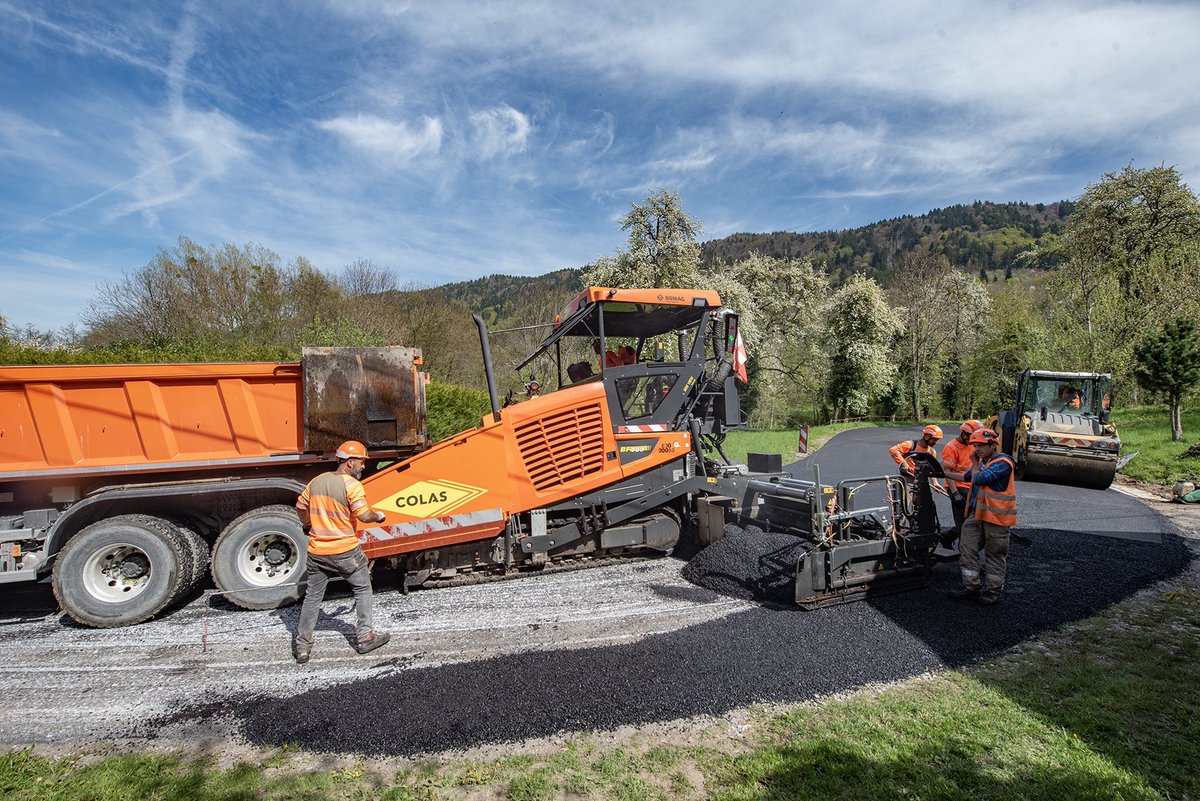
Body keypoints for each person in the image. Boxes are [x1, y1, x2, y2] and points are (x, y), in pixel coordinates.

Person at [293, 440, 390, 663]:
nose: (363, 466)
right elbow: (364, 515)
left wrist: (307, 524)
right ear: (348, 462)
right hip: (345, 550)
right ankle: (365, 637)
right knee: (363, 589)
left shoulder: (316, 482)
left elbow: (300, 507)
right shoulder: (352, 486)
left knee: (313, 598)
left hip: (317, 552)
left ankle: (303, 647)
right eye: (361, 462)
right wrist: (379, 517)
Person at [948, 428, 1017, 605]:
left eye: (980, 446)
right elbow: (967, 476)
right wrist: (941, 473)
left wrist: (974, 462)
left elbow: (979, 479)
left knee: (994, 555)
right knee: (966, 547)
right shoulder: (983, 462)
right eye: (975, 446)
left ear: (993, 445)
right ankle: (971, 587)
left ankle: (992, 592)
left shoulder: (1003, 462)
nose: (977, 449)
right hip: (976, 515)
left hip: (996, 519)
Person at [939, 419, 984, 548]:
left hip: (970, 487)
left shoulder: (972, 445)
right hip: (958, 487)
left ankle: (947, 537)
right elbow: (947, 472)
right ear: (964, 434)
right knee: (963, 525)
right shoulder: (951, 447)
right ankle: (965, 557)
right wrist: (955, 494)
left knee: (971, 522)